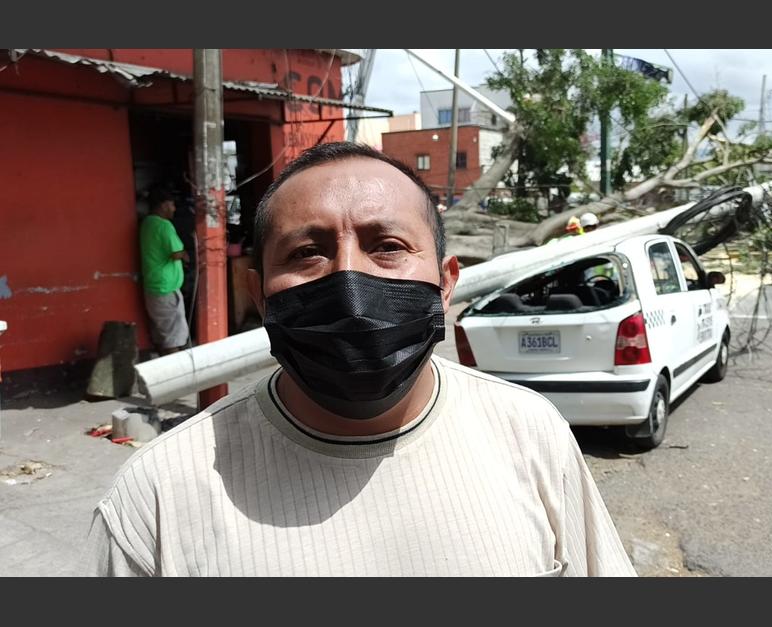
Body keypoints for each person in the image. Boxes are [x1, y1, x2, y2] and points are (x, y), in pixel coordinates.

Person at [83, 142, 635, 577]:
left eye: (387, 246)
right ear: (257, 293)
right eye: (306, 252)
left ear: (446, 284)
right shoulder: (156, 497)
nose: (350, 285)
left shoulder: (530, 433)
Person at [139, 186, 190, 354]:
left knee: (163, 334)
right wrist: (185, 255)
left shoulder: (146, 223)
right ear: (163, 205)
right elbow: (176, 253)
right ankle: (178, 376)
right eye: (171, 204)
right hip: (166, 288)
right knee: (172, 338)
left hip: (153, 286)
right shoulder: (164, 225)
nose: (174, 209)